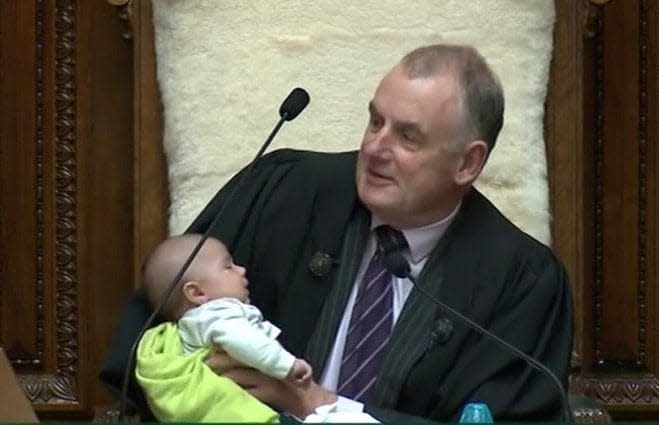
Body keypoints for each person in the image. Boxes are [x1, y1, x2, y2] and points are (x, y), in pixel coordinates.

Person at [101, 44, 573, 422]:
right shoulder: (281, 191)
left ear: (468, 163)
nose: (374, 147)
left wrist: (315, 404)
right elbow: (148, 331)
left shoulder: (522, 281)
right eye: (374, 120)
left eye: (407, 137)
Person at [139, 234, 312, 384]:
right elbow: (244, 340)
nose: (242, 270)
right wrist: (288, 366)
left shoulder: (197, 323)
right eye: (228, 267)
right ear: (197, 293)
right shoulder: (217, 316)